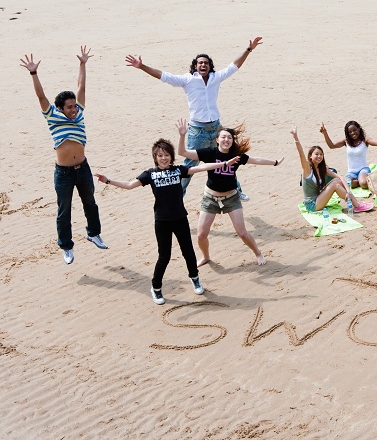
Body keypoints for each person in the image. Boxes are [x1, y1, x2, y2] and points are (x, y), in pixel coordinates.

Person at [94, 140, 239, 304]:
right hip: (162, 221)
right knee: (164, 256)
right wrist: (108, 180)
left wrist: (225, 163)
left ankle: (195, 278)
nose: (164, 158)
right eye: (160, 155)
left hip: (180, 218)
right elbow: (129, 185)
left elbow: (201, 168)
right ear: (155, 157)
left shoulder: (178, 170)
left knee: (188, 252)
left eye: (167, 155)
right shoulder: (150, 174)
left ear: (171, 157)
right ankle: (156, 288)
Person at [125, 37, 262, 198]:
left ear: (210, 66)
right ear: (195, 66)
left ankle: (236, 190)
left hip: (216, 128)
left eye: (206, 63)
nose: (203, 65)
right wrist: (141, 66)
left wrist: (249, 49)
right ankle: (178, 195)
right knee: (189, 165)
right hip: (198, 130)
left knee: (227, 158)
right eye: (200, 63)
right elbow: (164, 76)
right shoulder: (188, 80)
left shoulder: (215, 78)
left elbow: (234, 66)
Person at [21, 47, 108, 265]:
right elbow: (41, 96)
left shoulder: (80, 113)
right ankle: (66, 246)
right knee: (64, 210)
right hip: (64, 173)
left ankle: (93, 233)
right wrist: (34, 73)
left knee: (90, 203)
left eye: (75, 106)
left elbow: (82, 86)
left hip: (83, 168)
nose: (74, 110)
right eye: (69, 107)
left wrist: (82, 64)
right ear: (60, 108)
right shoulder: (52, 116)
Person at [177, 119, 283, 267]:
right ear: (217, 139)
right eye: (223, 137)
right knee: (201, 235)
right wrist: (182, 135)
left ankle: (258, 253)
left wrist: (275, 162)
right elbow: (182, 152)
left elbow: (256, 160)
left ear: (232, 141)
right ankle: (206, 256)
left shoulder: (237, 156)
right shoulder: (209, 153)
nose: (226, 140)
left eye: (229, 138)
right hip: (210, 199)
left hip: (231, 198)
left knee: (242, 233)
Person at [292, 126, 374, 215]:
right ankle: (357, 205)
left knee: (336, 181)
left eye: (321, 154)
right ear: (310, 156)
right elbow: (301, 154)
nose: (319, 156)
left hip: (319, 199)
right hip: (312, 205)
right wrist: (296, 138)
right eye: (316, 154)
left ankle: (356, 203)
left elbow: (339, 177)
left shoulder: (322, 168)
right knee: (335, 184)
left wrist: (348, 192)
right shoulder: (307, 170)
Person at [319, 119, 377, 188]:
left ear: (359, 129)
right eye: (350, 132)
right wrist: (325, 133)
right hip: (351, 171)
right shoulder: (346, 141)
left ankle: (363, 180)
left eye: (354, 130)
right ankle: (360, 181)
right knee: (348, 184)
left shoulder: (365, 140)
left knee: (363, 184)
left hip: (363, 169)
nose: (353, 133)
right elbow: (332, 146)